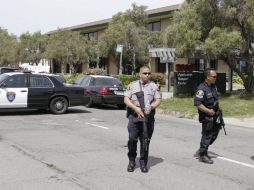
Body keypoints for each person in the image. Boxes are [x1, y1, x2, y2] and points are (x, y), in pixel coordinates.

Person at [124, 65, 161, 173]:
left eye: (149, 73)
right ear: (139, 74)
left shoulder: (153, 86)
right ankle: (131, 161)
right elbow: (126, 99)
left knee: (145, 140)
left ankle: (143, 162)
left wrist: (152, 107)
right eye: (145, 73)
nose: (147, 75)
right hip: (134, 116)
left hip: (148, 117)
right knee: (132, 140)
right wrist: (135, 108)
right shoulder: (132, 85)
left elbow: (157, 100)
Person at [194, 69, 221, 164]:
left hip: (215, 115)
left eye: (216, 76)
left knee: (214, 134)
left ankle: (202, 149)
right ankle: (202, 155)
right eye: (214, 76)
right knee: (207, 135)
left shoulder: (213, 87)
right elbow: (198, 104)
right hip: (207, 116)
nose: (215, 78)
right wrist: (208, 111)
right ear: (208, 77)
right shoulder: (201, 89)